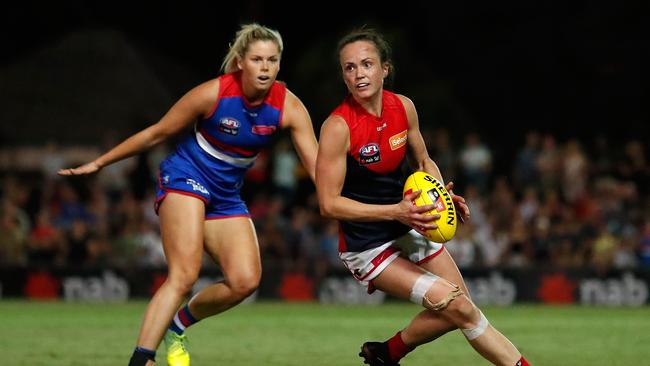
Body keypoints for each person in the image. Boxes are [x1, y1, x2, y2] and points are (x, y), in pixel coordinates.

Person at [59, 23, 318, 366]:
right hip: (187, 176)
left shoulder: (290, 107)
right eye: (257, 59)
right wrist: (101, 163)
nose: (266, 67)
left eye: (272, 60)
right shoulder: (212, 94)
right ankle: (142, 359)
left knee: (245, 281)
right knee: (184, 276)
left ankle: (177, 327)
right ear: (241, 62)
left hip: (226, 194)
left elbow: (319, 169)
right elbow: (156, 133)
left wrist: (364, 200)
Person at [315, 28, 531, 366]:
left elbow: (423, 160)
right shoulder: (338, 127)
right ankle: (390, 352)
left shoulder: (404, 108)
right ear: (343, 75)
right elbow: (328, 204)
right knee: (459, 307)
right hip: (367, 245)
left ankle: (387, 353)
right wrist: (397, 212)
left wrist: (440, 193)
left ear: (384, 68)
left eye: (367, 64)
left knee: (463, 307)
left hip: (409, 221)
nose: (358, 74)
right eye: (350, 68)